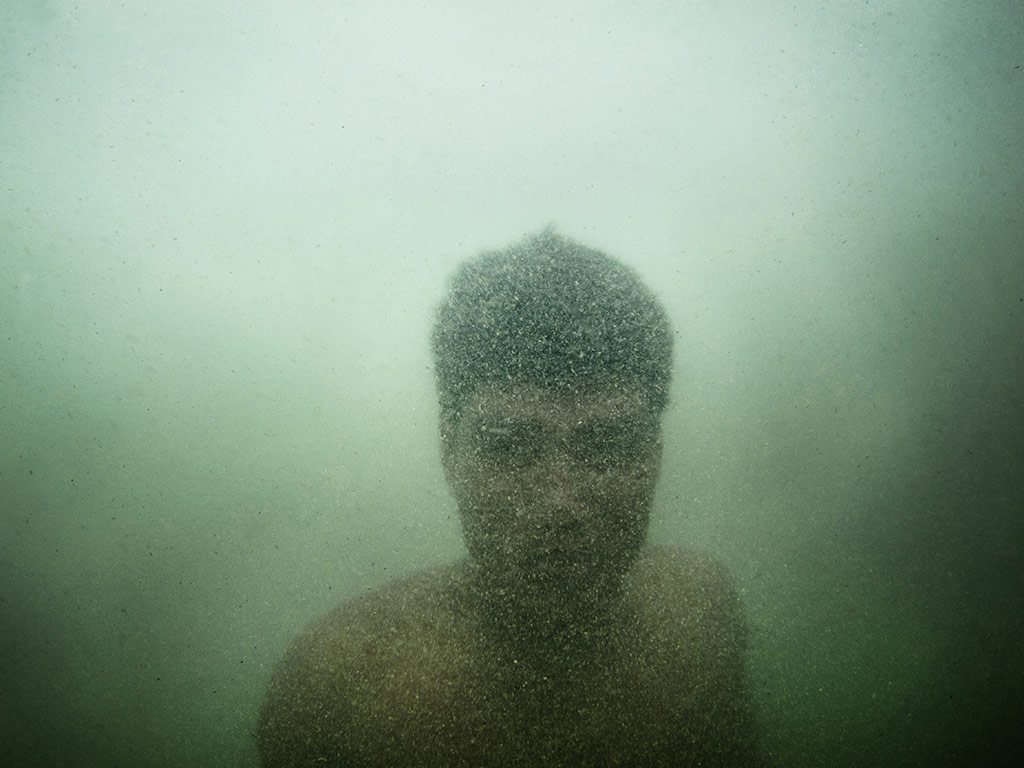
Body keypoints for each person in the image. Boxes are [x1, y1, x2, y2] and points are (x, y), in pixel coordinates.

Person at [256, 229, 763, 767]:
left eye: (610, 446)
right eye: (510, 447)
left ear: (656, 455)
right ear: (449, 452)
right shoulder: (341, 688)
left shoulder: (701, 613)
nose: (560, 503)